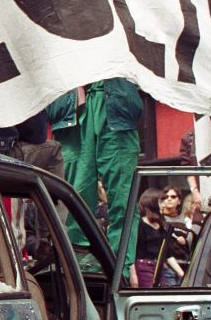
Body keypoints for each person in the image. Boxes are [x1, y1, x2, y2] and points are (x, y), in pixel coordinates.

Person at [47, 79, 143, 266]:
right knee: (75, 195)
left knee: (123, 198)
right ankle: (79, 264)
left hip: (116, 101)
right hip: (71, 105)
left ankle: (119, 269)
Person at [130, 188, 185, 288]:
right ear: (152, 203)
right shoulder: (139, 225)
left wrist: (181, 273)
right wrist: (133, 275)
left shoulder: (160, 225)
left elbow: (167, 253)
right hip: (143, 267)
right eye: (161, 201)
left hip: (159, 267)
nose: (164, 204)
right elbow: (132, 252)